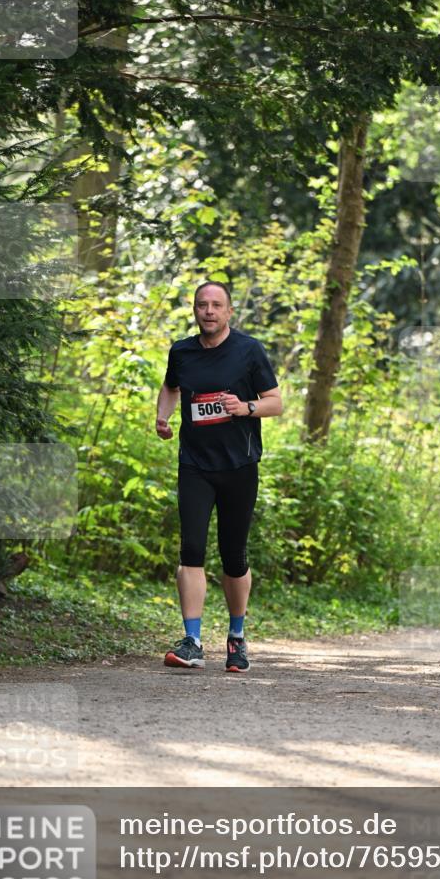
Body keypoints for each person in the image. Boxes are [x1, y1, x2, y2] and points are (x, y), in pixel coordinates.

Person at [155, 281, 283, 672]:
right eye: (201, 305)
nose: (208, 311)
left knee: (234, 557)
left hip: (239, 466)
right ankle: (192, 641)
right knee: (191, 550)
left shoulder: (248, 351)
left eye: (216, 305)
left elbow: (275, 402)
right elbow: (171, 386)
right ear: (194, 310)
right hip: (195, 464)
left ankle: (236, 637)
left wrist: (245, 406)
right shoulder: (182, 351)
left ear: (229, 312)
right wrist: (163, 416)